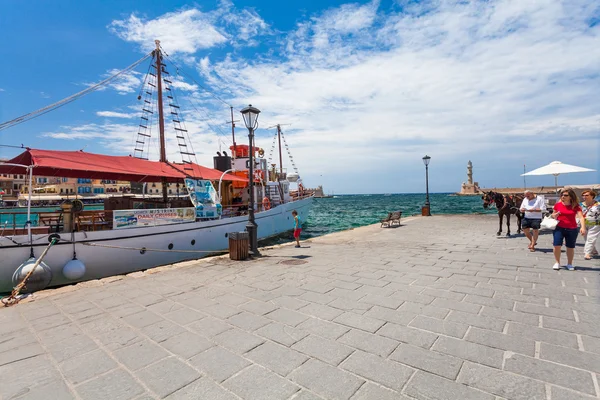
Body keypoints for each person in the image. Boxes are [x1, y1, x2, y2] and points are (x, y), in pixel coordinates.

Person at [551, 189, 586, 270]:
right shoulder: (558, 205)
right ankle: (557, 262)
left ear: (570, 196)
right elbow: (553, 215)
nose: (563, 196)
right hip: (559, 228)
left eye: (566, 195)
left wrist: (583, 227)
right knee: (557, 245)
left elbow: (581, 217)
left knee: (570, 247)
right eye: (562, 195)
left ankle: (569, 263)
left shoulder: (575, 206)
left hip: (572, 228)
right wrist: (555, 215)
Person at [581, 190, 600, 260]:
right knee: (586, 238)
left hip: (595, 223)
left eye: (586, 195)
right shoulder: (581, 205)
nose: (584, 197)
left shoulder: (598, 205)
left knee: (591, 238)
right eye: (583, 195)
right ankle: (593, 250)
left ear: (592, 196)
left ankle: (587, 253)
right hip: (584, 223)